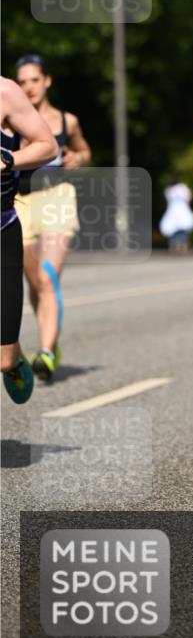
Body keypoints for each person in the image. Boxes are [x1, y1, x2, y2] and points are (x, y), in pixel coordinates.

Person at [15, 54, 91, 382]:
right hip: (20, 201)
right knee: (34, 282)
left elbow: (84, 150)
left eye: (34, 80)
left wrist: (79, 157)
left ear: (47, 81)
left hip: (58, 197)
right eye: (22, 82)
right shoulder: (11, 119)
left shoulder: (66, 121)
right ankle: (51, 336)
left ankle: (45, 350)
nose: (29, 87)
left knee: (47, 277)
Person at [1, 76, 58, 403]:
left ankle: (14, 358)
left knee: (3, 358)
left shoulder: (5, 93)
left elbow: (48, 145)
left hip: (3, 229)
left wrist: (7, 160)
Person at [159, 183, 193, 254]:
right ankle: (182, 247)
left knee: (173, 229)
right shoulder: (183, 187)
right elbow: (188, 198)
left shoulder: (169, 189)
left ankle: (175, 247)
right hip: (182, 210)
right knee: (182, 230)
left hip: (172, 211)